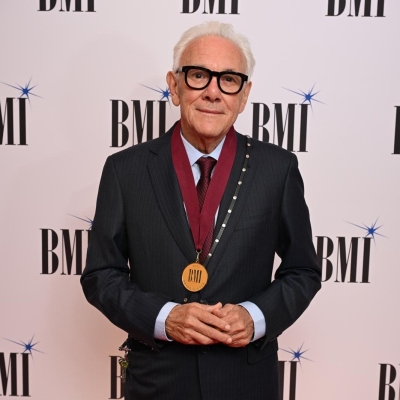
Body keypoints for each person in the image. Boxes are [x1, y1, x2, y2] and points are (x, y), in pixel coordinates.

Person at [81, 21, 321, 400]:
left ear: (244, 95)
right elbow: (100, 275)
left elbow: (303, 270)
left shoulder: (278, 169)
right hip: (157, 383)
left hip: (246, 383)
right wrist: (165, 318)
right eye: (198, 76)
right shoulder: (125, 170)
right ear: (174, 86)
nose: (213, 92)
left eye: (229, 80)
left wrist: (255, 317)